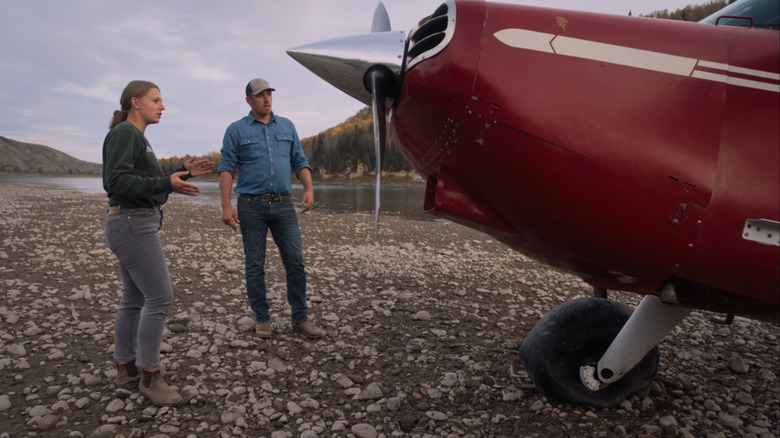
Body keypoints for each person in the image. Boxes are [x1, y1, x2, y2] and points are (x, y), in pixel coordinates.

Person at [103, 80, 214, 406]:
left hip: (129, 221)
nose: (162, 106)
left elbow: (143, 181)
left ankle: (127, 369)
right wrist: (167, 180)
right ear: (135, 102)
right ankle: (150, 376)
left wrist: (181, 173)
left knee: (134, 299)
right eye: (156, 100)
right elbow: (117, 181)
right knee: (160, 298)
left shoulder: (136, 137)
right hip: (132, 223)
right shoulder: (126, 133)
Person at [219, 77, 324, 340]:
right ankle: (262, 319)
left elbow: (300, 160)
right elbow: (227, 168)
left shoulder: (287, 126)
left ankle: (300, 318)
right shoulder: (236, 130)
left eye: (269, 94)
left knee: (296, 262)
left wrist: (309, 189)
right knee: (255, 265)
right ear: (249, 100)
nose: (267, 99)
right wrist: (226, 206)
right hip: (251, 206)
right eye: (260, 95)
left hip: (283, 206)